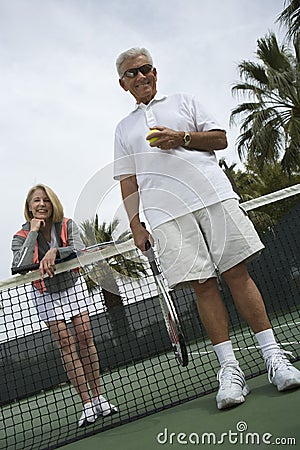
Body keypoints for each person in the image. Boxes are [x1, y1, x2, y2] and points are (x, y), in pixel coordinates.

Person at [113, 47, 300, 410]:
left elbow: (219, 139)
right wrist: (136, 225)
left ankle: (274, 357)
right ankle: (229, 370)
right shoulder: (123, 129)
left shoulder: (185, 101)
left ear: (155, 72)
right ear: (123, 84)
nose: (140, 77)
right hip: (167, 216)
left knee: (237, 273)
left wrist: (180, 138)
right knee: (202, 287)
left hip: (212, 197)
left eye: (145, 69)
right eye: (132, 74)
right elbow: (127, 180)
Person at [11, 184, 117, 426]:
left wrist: (55, 252)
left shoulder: (68, 224)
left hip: (73, 287)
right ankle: (87, 405)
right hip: (45, 294)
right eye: (36, 201)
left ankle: (99, 398)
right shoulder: (19, 236)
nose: (41, 204)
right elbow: (20, 264)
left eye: (45, 200)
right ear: (29, 207)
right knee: (66, 345)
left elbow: (79, 250)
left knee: (85, 336)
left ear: (53, 204)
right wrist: (33, 232)